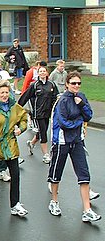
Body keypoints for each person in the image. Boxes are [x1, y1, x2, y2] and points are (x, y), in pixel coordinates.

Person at [47, 71, 101, 222]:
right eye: (73, 83)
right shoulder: (62, 100)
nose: (76, 86)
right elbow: (64, 122)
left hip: (77, 141)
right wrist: (79, 122)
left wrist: (81, 105)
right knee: (56, 173)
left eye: (78, 83)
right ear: (67, 84)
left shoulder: (81, 97)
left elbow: (89, 115)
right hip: (62, 141)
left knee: (84, 175)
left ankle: (87, 209)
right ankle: (54, 201)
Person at [0, 80, 28, 217]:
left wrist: (20, 129)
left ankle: (15, 204)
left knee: (15, 175)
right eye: (2, 92)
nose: (4, 95)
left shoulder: (15, 107)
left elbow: (24, 119)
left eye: (7, 92)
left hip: (10, 146)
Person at [18, 66, 58, 163]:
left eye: (44, 71)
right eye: (41, 71)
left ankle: (31, 143)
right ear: (38, 73)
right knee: (43, 133)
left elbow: (56, 97)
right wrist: (17, 107)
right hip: (38, 113)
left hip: (47, 113)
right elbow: (25, 96)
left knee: (41, 132)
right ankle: (45, 154)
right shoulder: (34, 85)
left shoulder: (51, 84)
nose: (43, 73)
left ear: (47, 73)